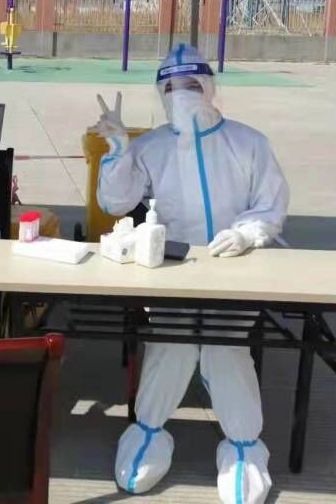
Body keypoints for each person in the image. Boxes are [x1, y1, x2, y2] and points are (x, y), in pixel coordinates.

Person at [92, 44, 289, 504]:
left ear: (209, 88)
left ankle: (244, 449)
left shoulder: (249, 143)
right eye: (170, 87)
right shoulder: (152, 146)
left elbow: (270, 204)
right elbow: (114, 203)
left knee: (224, 347)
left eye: (190, 84)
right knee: (173, 343)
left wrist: (246, 233)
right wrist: (119, 149)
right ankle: (148, 434)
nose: (180, 94)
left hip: (234, 273)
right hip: (172, 271)